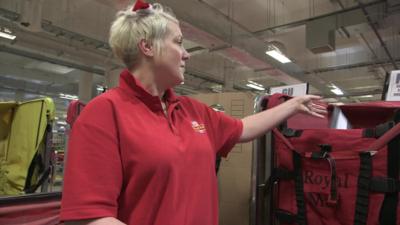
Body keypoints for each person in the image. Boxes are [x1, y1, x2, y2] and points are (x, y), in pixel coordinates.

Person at [60, 1, 327, 225]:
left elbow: (242, 128)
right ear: (148, 47)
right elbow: (91, 216)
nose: (187, 54)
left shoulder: (191, 110)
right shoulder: (104, 113)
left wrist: (290, 105)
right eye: (178, 42)